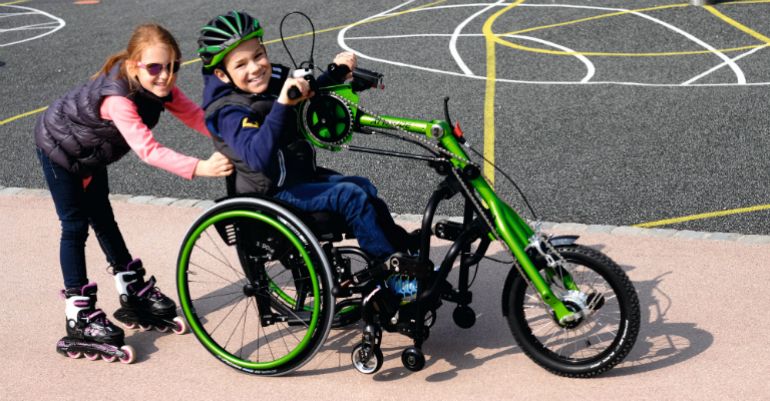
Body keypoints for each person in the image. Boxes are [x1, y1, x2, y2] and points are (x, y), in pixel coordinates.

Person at [35, 23, 233, 359]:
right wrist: (201, 167)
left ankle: (132, 291)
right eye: (155, 67)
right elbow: (148, 150)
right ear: (133, 66)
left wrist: (234, 141)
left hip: (91, 153)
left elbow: (196, 117)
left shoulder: (160, 87)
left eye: (172, 67)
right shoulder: (118, 100)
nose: (165, 76)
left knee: (104, 218)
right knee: (74, 226)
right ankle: (79, 314)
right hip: (60, 150)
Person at [196, 11, 418, 264]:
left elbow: (307, 92)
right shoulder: (228, 112)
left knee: (363, 186)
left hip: (297, 175)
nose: (255, 68)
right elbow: (256, 156)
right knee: (351, 196)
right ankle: (388, 267)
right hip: (272, 192)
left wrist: (335, 73)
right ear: (222, 75)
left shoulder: (272, 79)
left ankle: (402, 249)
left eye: (258, 55)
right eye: (241, 64)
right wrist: (282, 104)